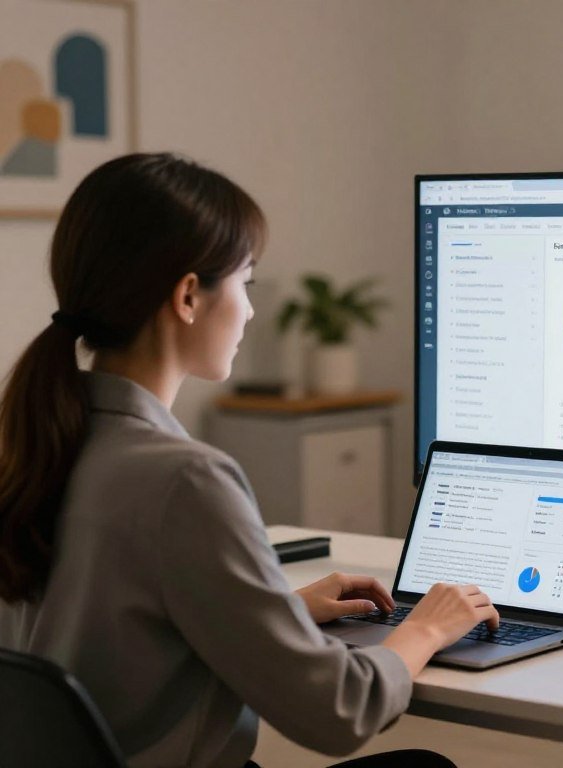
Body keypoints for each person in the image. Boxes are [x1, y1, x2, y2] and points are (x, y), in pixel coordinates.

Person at [0, 153, 500, 768]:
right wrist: (427, 629)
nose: (251, 309)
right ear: (189, 296)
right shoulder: (185, 480)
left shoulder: (35, 444)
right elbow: (339, 711)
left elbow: (112, 638)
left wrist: (275, 617)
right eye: (246, 283)